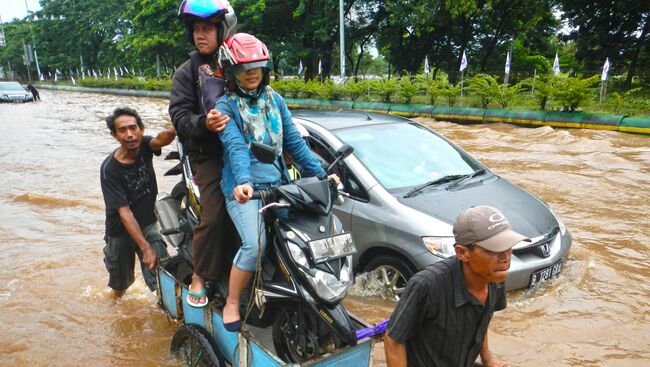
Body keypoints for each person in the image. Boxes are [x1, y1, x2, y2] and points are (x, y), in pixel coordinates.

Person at [216, 33, 339, 331]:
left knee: (309, 233)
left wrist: (322, 177)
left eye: (257, 65)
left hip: (281, 185)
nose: (252, 72)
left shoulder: (276, 100)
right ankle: (233, 301)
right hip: (245, 192)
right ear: (231, 72)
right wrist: (244, 183)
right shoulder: (225, 107)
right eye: (245, 67)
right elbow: (236, 149)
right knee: (255, 246)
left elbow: (296, 145)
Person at [384, 205, 530, 367]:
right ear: (462, 253)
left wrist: (488, 359)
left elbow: (481, 321)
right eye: (493, 249)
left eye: (507, 246)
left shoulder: (494, 276)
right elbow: (393, 340)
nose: (505, 257)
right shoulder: (426, 286)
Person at [169, 0, 237, 308]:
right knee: (212, 215)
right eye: (196, 29)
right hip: (208, 155)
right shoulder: (186, 72)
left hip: (244, 151)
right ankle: (201, 275)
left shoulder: (238, 62)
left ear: (222, 29)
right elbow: (180, 117)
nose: (201, 35)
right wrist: (204, 123)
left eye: (207, 29)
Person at [100, 107, 176, 297]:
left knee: (163, 277)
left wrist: (178, 126)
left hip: (148, 223)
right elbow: (124, 213)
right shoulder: (110, 169)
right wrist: (145, 247)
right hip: (120, 232)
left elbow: (161, 139)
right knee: (120, 286)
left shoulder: (144, 145)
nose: (129, 134)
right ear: (114, 135)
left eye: (133, 128)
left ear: (141, 129)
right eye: (122, 130)